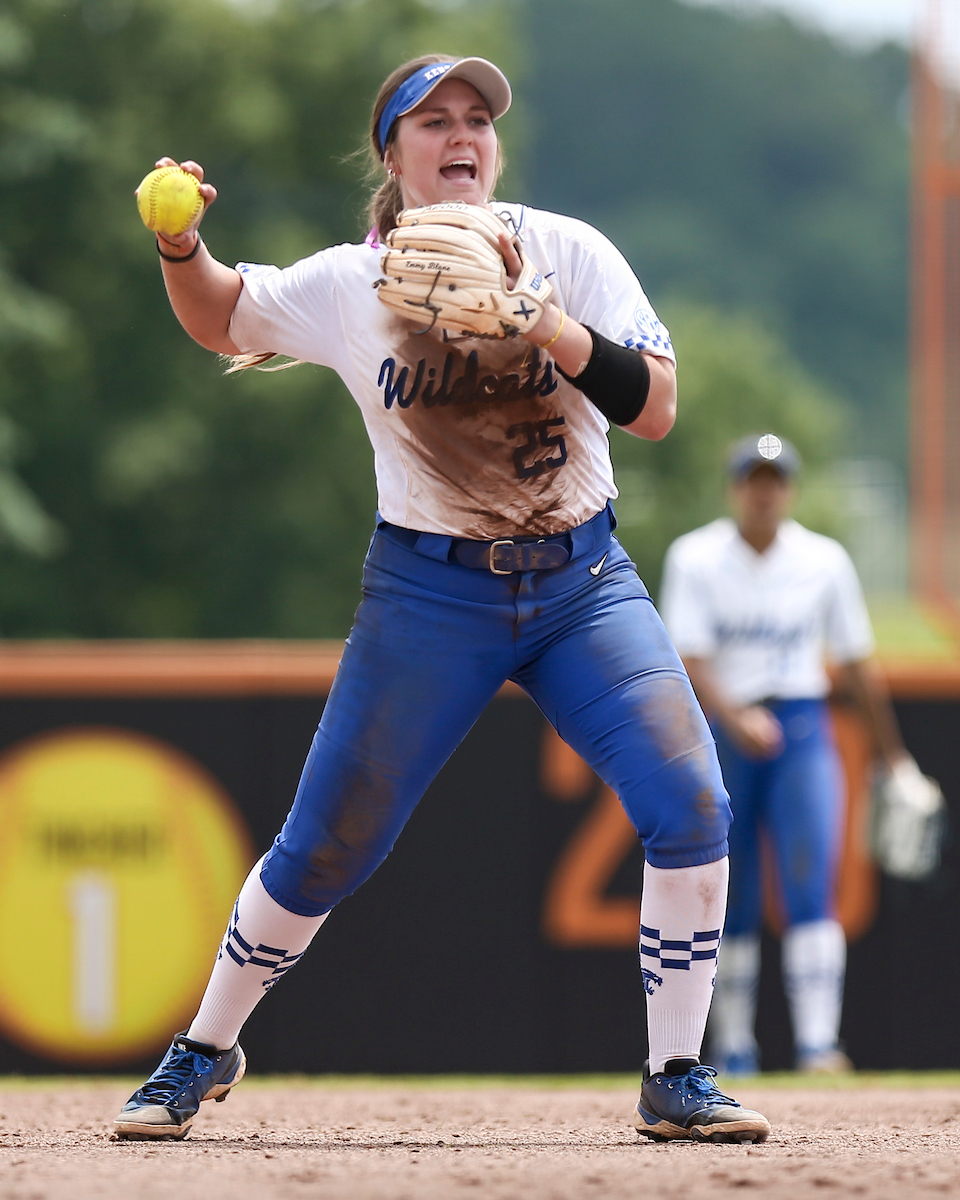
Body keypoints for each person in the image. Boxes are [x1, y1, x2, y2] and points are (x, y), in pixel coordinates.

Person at [114, 54, 770, 1144]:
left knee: (691, 803)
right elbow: (224, 317)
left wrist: (546, 322)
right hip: (429, 591)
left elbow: (654, 407)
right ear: (394, 155)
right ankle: (205, 1047)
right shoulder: (350, 284)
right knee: (326, 844)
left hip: (581, 583)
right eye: (434, 121)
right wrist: (180, 243)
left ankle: (676, 1075)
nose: (462, 134)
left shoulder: (566, 252)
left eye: (478, 119)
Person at [660, 432, 912, 1074]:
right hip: (723, 725)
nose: (764, 492)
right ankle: (735, 1046)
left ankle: (818, 1045)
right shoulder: (696, 556)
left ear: (789, 489)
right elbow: (687, 655)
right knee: (730, 892)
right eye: (753, 479)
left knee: (810, 880)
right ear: (735, 487)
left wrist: (896, 757)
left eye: (774, 480)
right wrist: (736, 714)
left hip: (802, 724)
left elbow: (856, 661)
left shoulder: (823, 560)